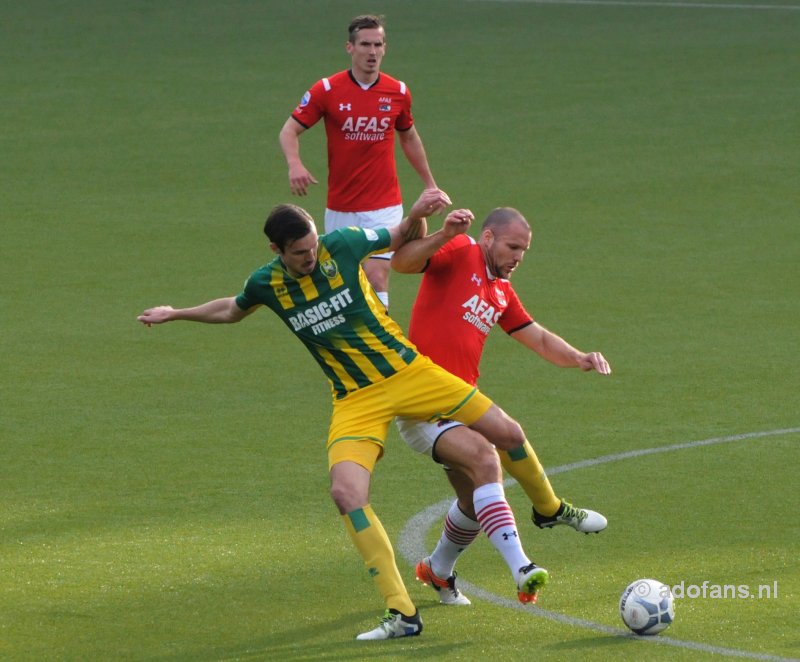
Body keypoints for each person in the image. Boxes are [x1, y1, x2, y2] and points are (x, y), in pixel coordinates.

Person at [137, 190, 550, 641]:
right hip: (355, 399)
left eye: (314, 246)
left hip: (409, 373)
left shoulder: (344, 243)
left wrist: (416, 214)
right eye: (299, 253)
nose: (311, 257)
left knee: (505, 432)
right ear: (277, 252)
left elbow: (399, 238)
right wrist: (176, 313)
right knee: (345, 493)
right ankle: (403, 614)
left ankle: (548, 510)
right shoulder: (267, 284)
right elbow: (232, 309)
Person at [392, 206, 612, 606]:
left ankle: (437, 571)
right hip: (423, 403)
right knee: (496, 446)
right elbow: (403, 263)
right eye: (512, 247)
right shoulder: (460, 250)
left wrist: (579, 357)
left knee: (474, 502)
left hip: (461, 403)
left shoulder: (500, 292)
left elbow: (540, 338)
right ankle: (528, 554)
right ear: (488, 237)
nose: (517, 258)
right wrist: (442, 233)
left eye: (524, 252)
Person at [278, 14, 445, 310]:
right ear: (350, 48)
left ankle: (383, 344)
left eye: (377, 44)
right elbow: (289, 129)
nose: (372, 51)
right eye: (365, 44)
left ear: (385, 48)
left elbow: (408, 137)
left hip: (384, 206)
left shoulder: (398, 92)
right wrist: (295, 164)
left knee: (378, 276)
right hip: (341, 208)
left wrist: (430, 184)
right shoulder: (327, 90)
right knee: (345, 284)